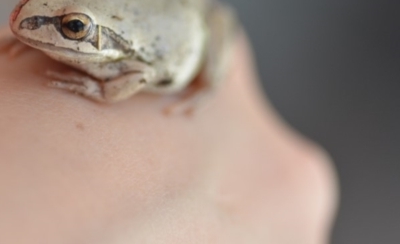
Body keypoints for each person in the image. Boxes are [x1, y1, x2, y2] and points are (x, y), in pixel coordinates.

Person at [0, 28, 338, 243]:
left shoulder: (119, 55)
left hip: (175, 36)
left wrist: (97, 89)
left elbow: (142, 71)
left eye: (73, 27)